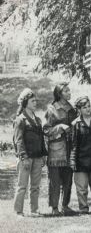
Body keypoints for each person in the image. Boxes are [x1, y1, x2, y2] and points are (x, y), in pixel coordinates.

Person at [44, 82, 77, 215]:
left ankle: (65, 206)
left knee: (68, 180)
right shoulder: (51, 109)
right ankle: (54, 208)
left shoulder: (72, 109)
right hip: (56, 151)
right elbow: (46, 130)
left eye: (69, 90)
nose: (69, 93)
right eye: (66, 91)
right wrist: (60, 127)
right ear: (59, 94)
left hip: (69, 149)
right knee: (55, 181)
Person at [13, 88, 47, 217]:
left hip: (38, 158)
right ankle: (18, 212)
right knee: (22, 186)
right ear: (25, 102)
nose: (35, 103)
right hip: (25, 158)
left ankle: (34, 210)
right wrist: (23, 157)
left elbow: (41, 139)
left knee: (35, 186)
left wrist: (44, 154)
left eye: (36, 101)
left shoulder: (38, 120)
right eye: (33, 101)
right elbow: (18, 140)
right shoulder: (20, 120)